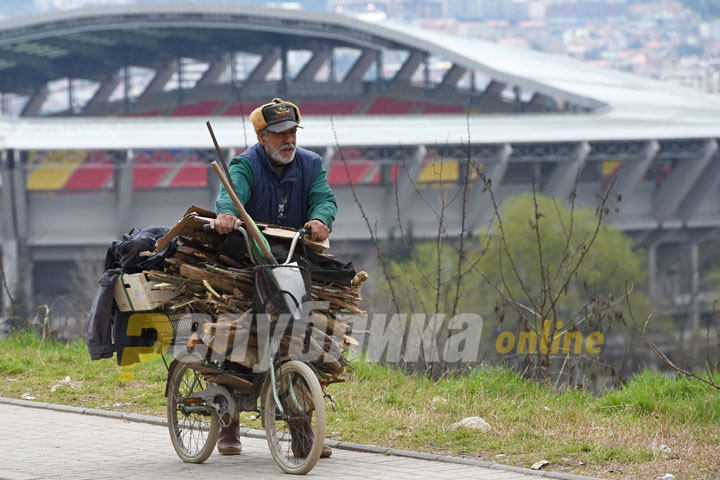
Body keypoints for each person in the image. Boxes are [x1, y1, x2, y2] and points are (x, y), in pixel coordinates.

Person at [210, 98, 336, 458]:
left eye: (293, 132)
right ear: (263, 138)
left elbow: (324, 199)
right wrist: (226, 215)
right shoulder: (245, 165)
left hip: (294, 260)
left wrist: (320, 219)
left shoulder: (311, 165)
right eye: (280, 135)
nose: (288, 141)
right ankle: (229, 422)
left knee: (300, 338)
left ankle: (301, 431)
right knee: (243, 331)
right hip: (251, 261)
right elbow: (229, 195)